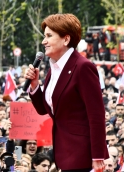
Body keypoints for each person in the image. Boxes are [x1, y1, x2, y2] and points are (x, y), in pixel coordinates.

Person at [24, 13, 109, 171]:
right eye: (44, 36)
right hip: (64, 153)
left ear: (66, 39)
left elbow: (96, 115)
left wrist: (98, 156)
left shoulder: (83, 67)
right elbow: (44, 110)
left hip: (83, 155)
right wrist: (35, 85)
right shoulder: (54, 69)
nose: (44, 41)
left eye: (49, 36)